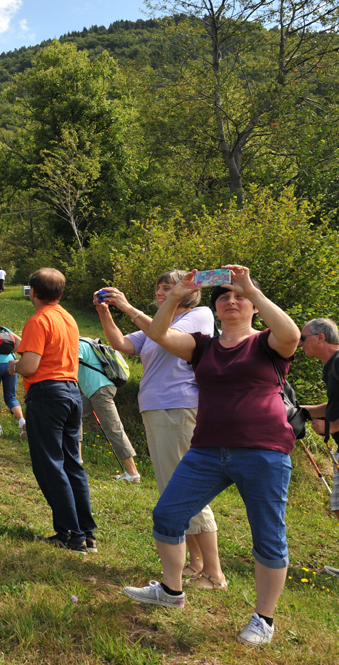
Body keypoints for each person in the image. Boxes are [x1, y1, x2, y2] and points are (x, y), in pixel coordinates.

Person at [121, 266, 301, 647]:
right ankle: (171, 591)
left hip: (264, 450)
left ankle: (264, 619)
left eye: (240, 297)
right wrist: (176, 294)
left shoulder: (267, 343)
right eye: (224, 297)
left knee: (268, 535)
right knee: (167, 514)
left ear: (254, 306)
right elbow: (158, 334)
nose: (232, 301)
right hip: (206, 449)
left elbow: (292, 335)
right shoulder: (202, 346)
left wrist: (252, 288)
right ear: (215, 308)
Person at [95, 271, 220, 583]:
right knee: (174, 489)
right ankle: (196, 564)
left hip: (178, 407)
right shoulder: (158, 322)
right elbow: (122, 344)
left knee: (187, 488)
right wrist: (105, 311)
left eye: (168, 288)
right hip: (157, 409)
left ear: (188, 290)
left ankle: (214, 572)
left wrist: (127, 307)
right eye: (159, 288)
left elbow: (163, 335)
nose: (161, 293)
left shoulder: (198, 315)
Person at [9, 268, 96, 554]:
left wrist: (14, 366)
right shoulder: (67, 317)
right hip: (72, 392)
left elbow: (30, 366)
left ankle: (70, 534)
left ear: (33, 292)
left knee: (50, 465)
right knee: (72, 464)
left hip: (47, 395)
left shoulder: (38, 319)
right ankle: (87, 533)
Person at [297, 318, 339, 541]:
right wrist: (296, 410)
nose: (300, 344)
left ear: (321, 338)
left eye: (303, 338)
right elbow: (331, 406)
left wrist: (331, 426)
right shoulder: (330, 366)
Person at [76, 338, 140, 482]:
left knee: (113, 428)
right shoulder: (87, 343)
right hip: (97, 390)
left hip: (99, 390)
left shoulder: (78, 344)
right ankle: (77, 459)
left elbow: (69, 367)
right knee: (74, 413)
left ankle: (133, 472)